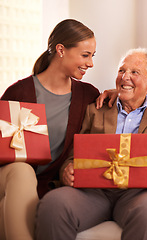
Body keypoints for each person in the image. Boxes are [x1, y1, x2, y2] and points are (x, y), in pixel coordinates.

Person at [35, 48, 147, 240]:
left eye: (134, 72)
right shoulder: (95, 108)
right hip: (92, 192)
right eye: (121, 71)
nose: (125, 77)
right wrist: (67, 169)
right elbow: (73, 154)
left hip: (140, 194)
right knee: (54, 203)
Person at [0, 19, 99, 240]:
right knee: (22, 170)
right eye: (85, 55)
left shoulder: (89, 95)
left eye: (93, 55)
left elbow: (120, 113)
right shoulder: (18, 92)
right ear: (61, 50)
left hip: (50, 187)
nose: (91, 63)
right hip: (8, 177)